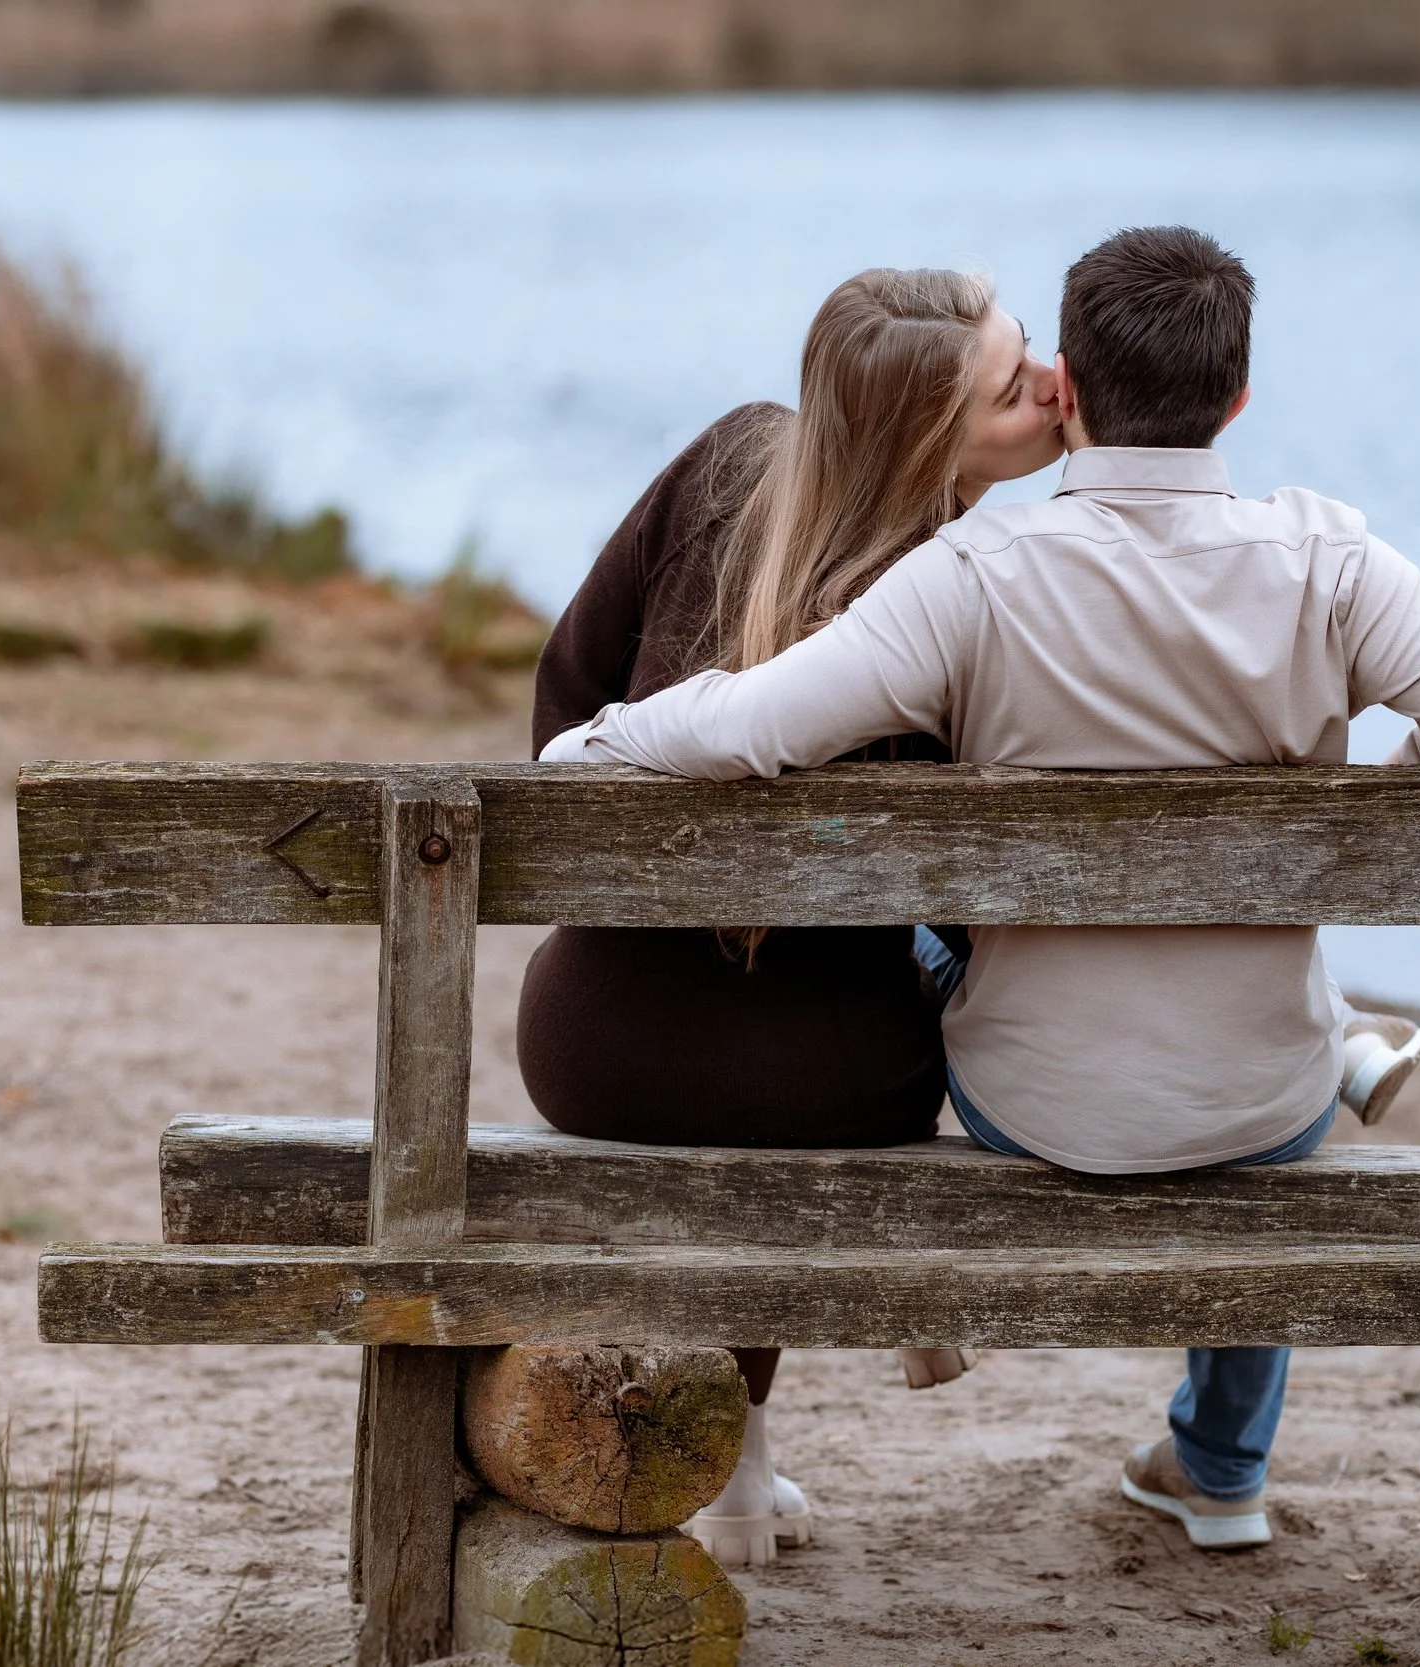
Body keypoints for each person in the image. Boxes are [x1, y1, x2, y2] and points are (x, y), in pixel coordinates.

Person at [541, 226, 1420, 1552]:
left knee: (987, 949)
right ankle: (1231, 1437)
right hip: (1261, 1101)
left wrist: (599, 744)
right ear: (1243, 397)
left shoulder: (966, 580)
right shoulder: (1335, 564)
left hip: (1027, 1105)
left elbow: (748, 726)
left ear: (1075, 392)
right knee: (1252, 1014)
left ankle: (1324, 1045)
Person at [519, 266, 1067, 1567]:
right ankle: (755, 1450)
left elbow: (563, 700)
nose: (1050, 382)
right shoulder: (955, 591)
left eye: (1032, 348)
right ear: (929, 445)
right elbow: (988, 890)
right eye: (1012, 384)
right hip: (834, 1082)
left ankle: (740, 1463)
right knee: (924, 979)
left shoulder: (727, 460)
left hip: (590, 1042)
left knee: (787, 997)